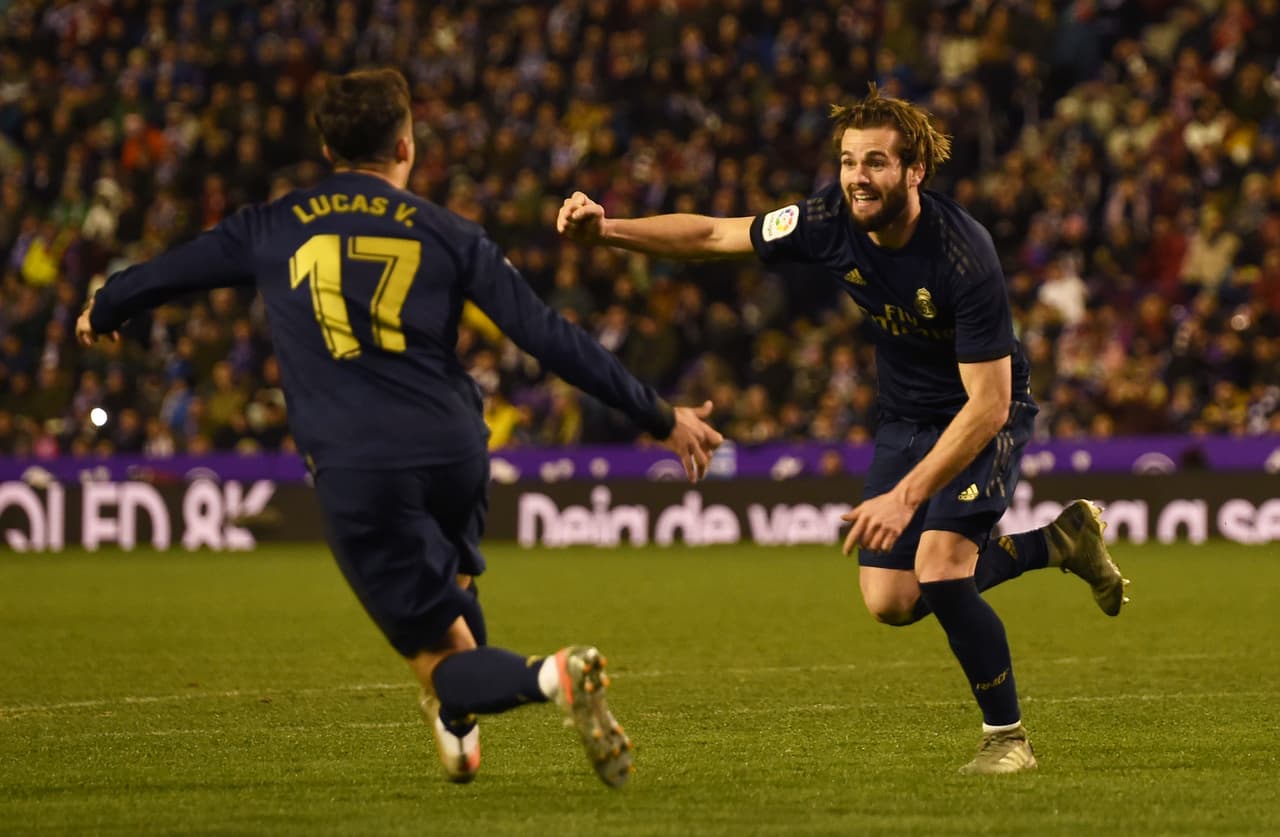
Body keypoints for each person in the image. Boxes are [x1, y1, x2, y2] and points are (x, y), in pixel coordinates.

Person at [76, 68, 724, 788]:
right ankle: (455, 724)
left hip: (360, 463)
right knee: (454, 608)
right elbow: (547, 335)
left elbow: (170, 270)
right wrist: (661, 416)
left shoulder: (274, 224)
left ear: (326, 146)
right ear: (407, 145)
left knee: (441, 663)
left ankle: (550, 677)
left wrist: (106, 306)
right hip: (455, 448)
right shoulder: (450, 233)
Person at [557, 85, 1128, 775]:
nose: (859, 176)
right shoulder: (826, 217)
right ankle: (1057, 542)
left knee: (942, 567)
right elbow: (715, 233)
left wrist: (906, 496)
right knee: (891, 601)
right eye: (850, 160)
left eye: (877, 162)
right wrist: (608, 229)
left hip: (984, 412)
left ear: (915, 170)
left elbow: (988, 405)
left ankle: (1007, 738)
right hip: (906, 413)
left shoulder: (963, 255)